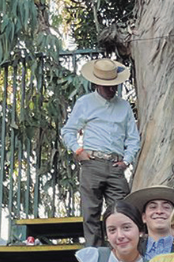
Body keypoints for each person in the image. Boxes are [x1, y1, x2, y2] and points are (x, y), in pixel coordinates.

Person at [60, 58, 141, 247]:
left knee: (122, 211)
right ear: (97, 83)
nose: (112, 89)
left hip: (116, 165)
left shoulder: (124, 106)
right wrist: (78, 151)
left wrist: (126, 161)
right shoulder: (85, 103)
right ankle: (94, 254)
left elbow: (133, 138)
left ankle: (120, 252)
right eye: (107, 85)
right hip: (92, 162)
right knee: (91, 212)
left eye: (114, 85)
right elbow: (68, 130)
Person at [124, 184, 174, 261]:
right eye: (153, 207)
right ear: (144, 217)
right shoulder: (131, 248)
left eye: (166, 207)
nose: (159, 211)